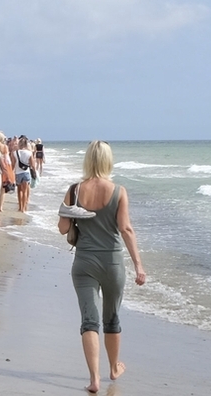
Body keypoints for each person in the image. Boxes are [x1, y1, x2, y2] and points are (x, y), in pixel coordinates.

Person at [57, 140, 147, 393]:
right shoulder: (119, 191)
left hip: (84, 263)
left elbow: (63, 228)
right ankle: (113, 367)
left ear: (88, 160)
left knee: (89, 321)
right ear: (108, 161)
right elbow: (126, 229)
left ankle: (94, 379)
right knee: (112, 318)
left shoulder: (74, 190)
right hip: (112, 263)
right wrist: (139, 265)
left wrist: (70, 212)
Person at [13, 137, 34, 214]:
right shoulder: (29, 153)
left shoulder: (15, 153)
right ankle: (24, 208)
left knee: (19, 191)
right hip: (26, 172)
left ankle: (20, 207)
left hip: (18, 173)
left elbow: (13, 164)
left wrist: (12, 173)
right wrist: (34, 172)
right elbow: (32, 164)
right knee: (25, 191)